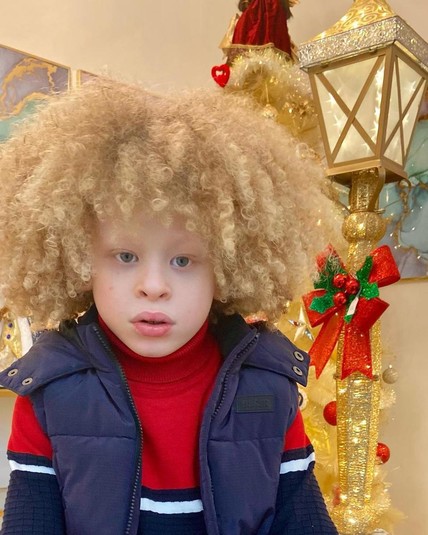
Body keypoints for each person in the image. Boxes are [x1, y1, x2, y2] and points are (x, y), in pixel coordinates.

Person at [0, 78, 340, 534]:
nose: (154, 287)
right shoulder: (49, 393)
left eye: (183, 260)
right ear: (79, 258)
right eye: (125, 256)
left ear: (228, 266)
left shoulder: (268, 386)